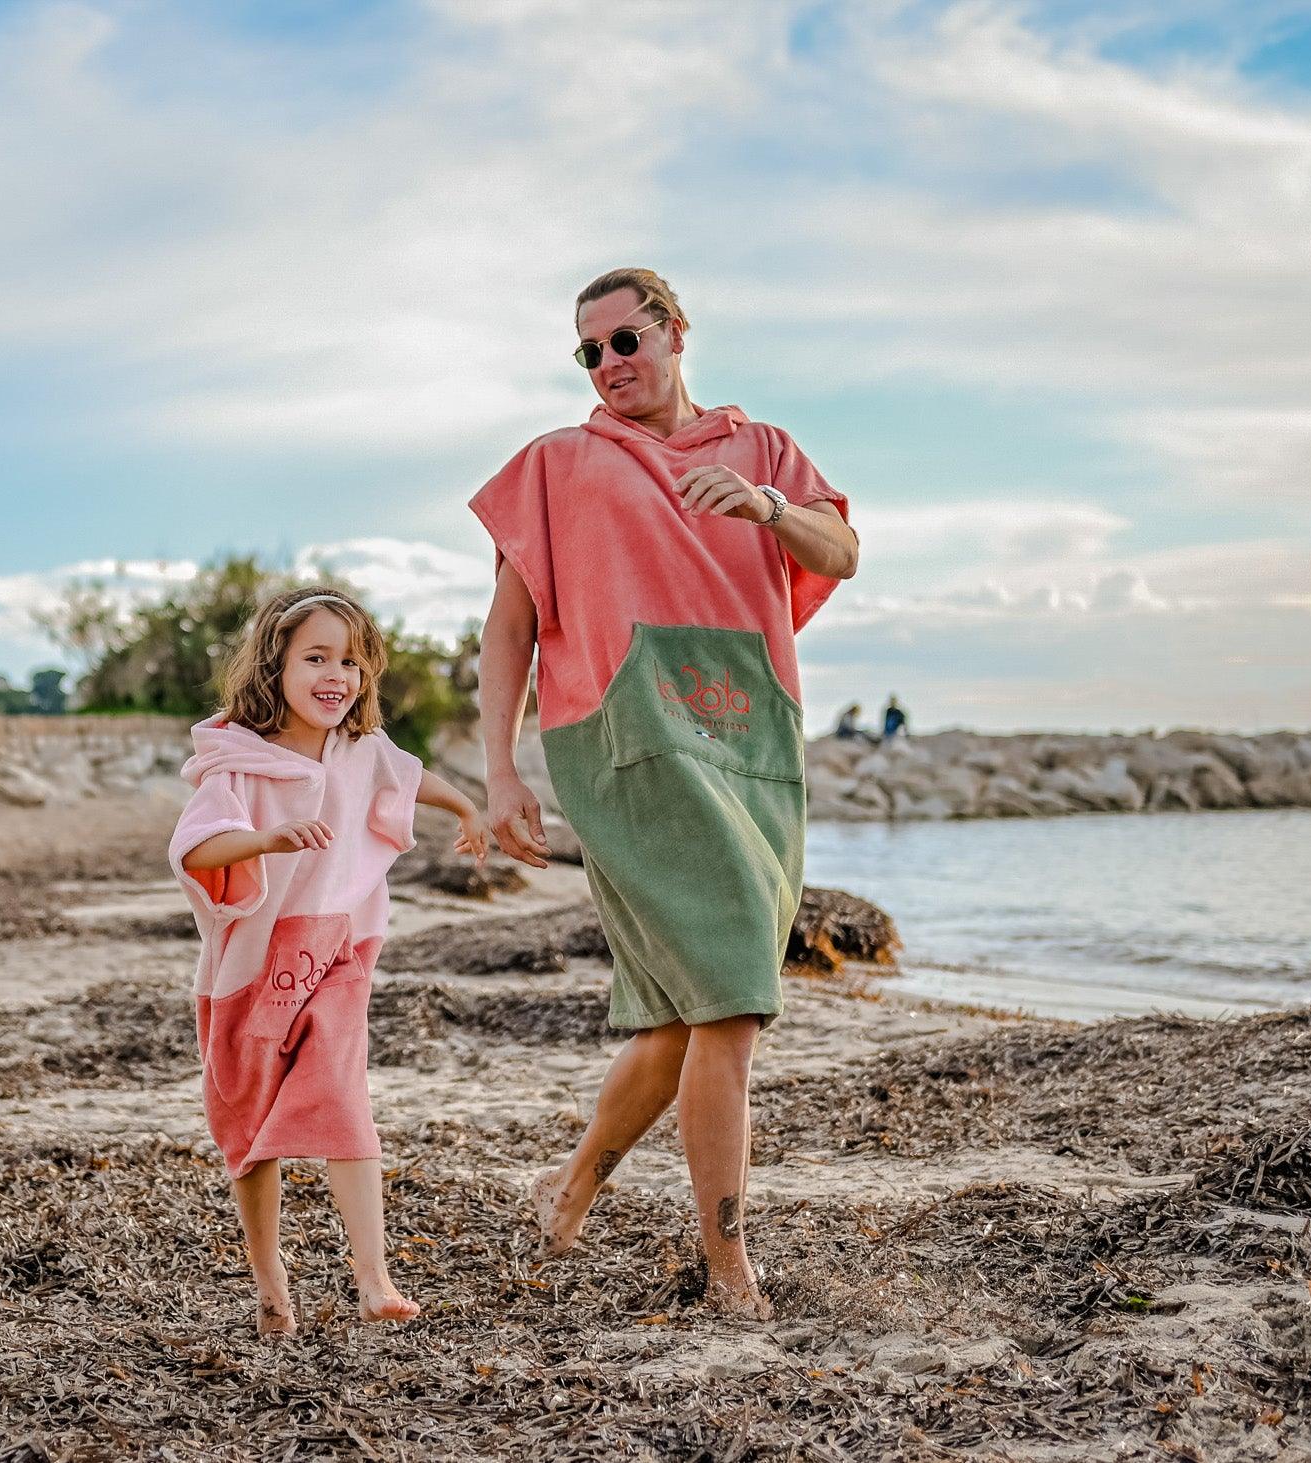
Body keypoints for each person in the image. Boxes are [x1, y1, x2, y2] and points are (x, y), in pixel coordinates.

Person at [470, 268, 858, 1319]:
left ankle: (570, 1186)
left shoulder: (762, 447)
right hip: (625, 739)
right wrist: (499, 769)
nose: (608, 365)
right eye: (589, 352)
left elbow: (842, 549)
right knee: (732, 998)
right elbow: (509, 627)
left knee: (685, 1016)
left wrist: (767, 506)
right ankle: (728, 1265)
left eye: (625, 340)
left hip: (753, 733)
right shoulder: (558, 463)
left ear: (675, 332)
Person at [170, 587, 489, 1337]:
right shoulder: (238, 762)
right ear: (275, 665)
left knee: (345, 1099)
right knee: (248, 1126)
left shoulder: (360, 748)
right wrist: (264, 839)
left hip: (337, 951)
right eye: (316, 657)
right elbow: (196, 847)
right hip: (250, 967)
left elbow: (407, 775)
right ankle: (270, 1281)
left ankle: (374, 1278)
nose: (336, 675)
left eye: (350, 662)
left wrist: (467, 808)